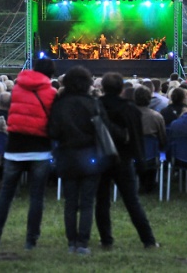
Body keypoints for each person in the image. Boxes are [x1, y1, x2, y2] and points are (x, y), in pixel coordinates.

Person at [48, 66, 119, 255]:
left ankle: (72, 241)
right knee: (87, 202)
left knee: (70, 202)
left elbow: (52, 131)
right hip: (90, 158)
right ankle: (82, 243)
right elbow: (104, 129)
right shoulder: (93, 103)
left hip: (67, 157)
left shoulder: (59, 105)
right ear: (88, 83)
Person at [0, 59, 56, 251]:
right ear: (50, 74)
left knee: (6, 194)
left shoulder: (17, 89)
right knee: (36, 197)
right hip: (40, 149)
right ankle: (31, 240)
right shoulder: (50, 93)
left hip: (15, 147)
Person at [96, 73, 159, 250]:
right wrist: (141, 162)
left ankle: (106, 240)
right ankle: (148, 240)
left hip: (101, 158)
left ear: (103, 87)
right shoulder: (130, 109)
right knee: (132, 201)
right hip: (123, 160)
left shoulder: (97, 106)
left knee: (102, 201)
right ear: (122, 89)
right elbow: (136, 138)